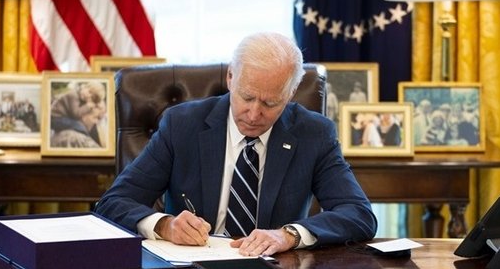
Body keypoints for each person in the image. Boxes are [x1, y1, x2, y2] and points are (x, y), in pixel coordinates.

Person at [95, 32, 377, 257]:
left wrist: (289, 235)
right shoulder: (182, 125)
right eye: (247, 97)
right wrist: (164, 225)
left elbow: (358, 215)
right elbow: (113, 203)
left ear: (291, 93)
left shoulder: (314, 134)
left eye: (270, 103)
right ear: (231, 77)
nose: (254, 114)